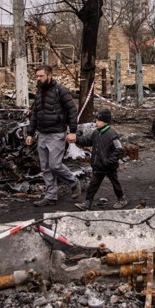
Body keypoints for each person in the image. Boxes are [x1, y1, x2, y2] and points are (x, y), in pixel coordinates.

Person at [26, 65, 82, 207]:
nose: (38, 79)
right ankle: (51, 196)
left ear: (49, 75)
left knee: (55, 165)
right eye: (37, 76)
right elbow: (35, 114)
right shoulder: (39, 92)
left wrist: (73, 131)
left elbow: (72, 110)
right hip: (42, 134)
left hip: (57, 133)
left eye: (41, 76)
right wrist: (30, 133)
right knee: (45, 167)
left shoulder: (60, 90)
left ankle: (74, 182)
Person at [74, 109, 127, 210]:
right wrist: (76, 139)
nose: (96, 122)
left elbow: (118, 149)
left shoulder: (112, 135)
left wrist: (109, 162)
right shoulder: (96, 133)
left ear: (106, 122)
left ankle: (121, 199)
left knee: (115, 184)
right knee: (93, 185)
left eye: (99, 120)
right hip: (98, 166)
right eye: (96, 120)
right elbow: (87, 141)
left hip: (109, 167)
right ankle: (87, 203)